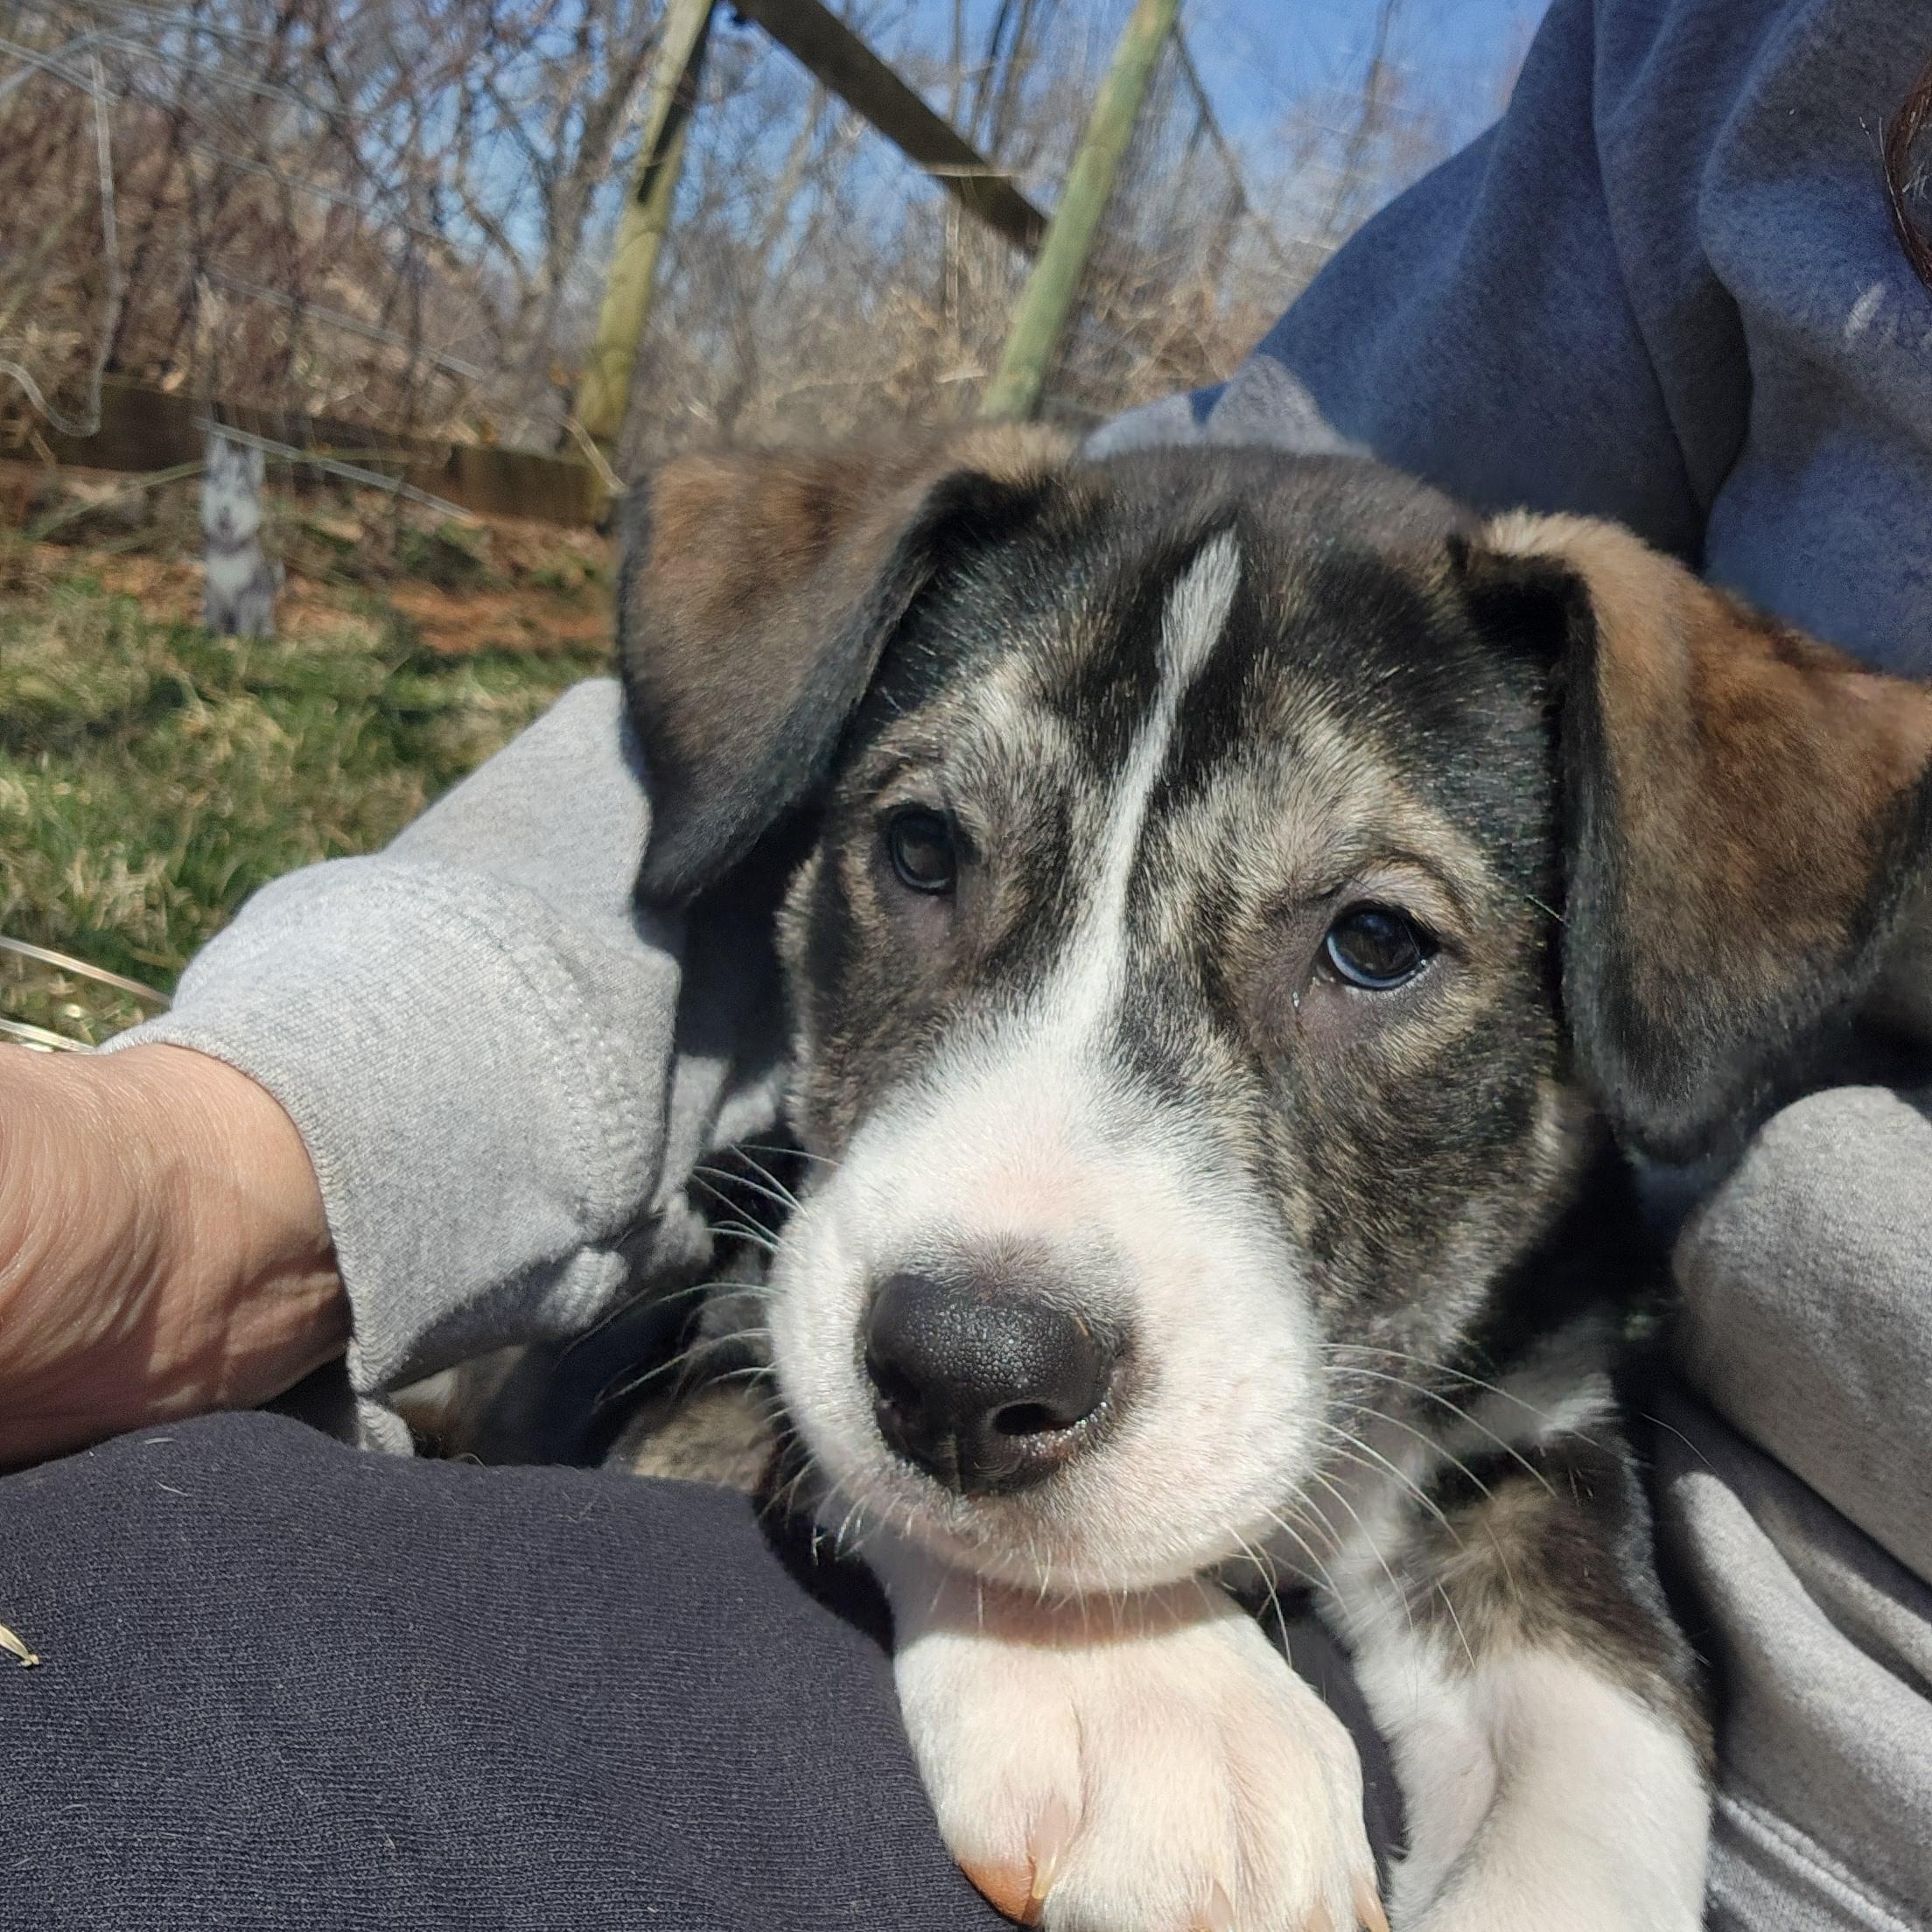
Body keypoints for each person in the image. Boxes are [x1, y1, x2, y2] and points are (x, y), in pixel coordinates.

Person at [4, 1, 1929, 1925]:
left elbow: (1534, 1554)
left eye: (1368, 938)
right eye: (928, 850)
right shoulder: (1737, 58)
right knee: (91, 1651)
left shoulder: (1517, 1316)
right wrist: (221, 1166)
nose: (1007, 1235)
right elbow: (1221, 481)